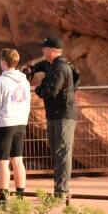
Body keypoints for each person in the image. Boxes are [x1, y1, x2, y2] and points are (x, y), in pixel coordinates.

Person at [27, 36, 80, 198]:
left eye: (45, 48)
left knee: (63, 152)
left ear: (53, 51)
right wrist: (32, 68)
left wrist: (37, 88)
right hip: (55, 115)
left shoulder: (60, 68)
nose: (42, 51)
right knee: (57, 152)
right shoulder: (51, 65)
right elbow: (41, 65)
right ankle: (59, 188)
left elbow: (50, 91)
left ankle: (62, 191)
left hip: (64, 116)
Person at [0, 48, 31, 204]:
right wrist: (23, 121)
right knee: (18, 160)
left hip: (4, 124)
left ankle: (3, 196)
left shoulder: (0, 81)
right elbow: (27, 103)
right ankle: (20, 195)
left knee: (2, 162)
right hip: (20, 123)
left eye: (0, 59)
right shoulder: (24, 81)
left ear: (4, 62)